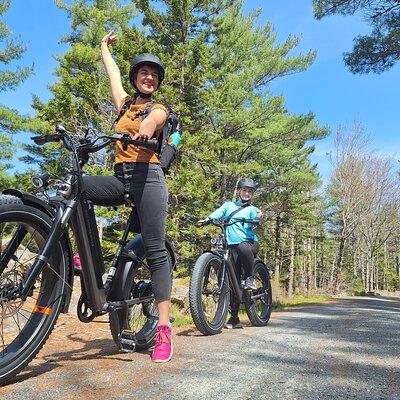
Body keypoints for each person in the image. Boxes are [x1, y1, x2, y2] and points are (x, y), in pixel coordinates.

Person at [81, 31, 173, 363]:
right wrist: (103, 47)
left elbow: (155, 119)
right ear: (136, 78)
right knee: (75, 187)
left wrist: (145, 131)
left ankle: (163, 329)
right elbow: (113, 75)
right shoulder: (124, 103)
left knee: (155, 249)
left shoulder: (158, 107)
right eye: (143, 73)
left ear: (157, 81)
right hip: (121, 179)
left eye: (153, 74)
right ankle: (83, 258)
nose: (148, 77)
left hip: (149, 178)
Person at [197, 178, 262, 329]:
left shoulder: (251, 209)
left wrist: (258, 218)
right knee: (232, 279)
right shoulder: (228, 205)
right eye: (244, 190)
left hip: (249, 244)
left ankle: (250, 278)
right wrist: (206, 220)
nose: (247, 193)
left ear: (252, 194)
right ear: (239, 191)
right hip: (231, 247)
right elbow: (217, 213)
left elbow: (258, 214)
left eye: (250, 191)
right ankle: (234, 318)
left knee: (243, 248)